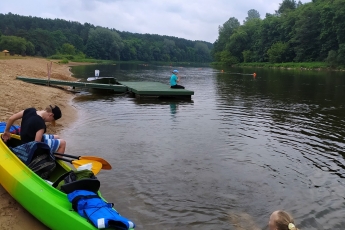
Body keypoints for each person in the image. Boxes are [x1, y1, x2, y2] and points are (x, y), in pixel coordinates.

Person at [2, 105, 66, 154]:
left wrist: (7, 131)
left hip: (25, 136)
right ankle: (53, 161)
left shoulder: (29, 110)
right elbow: (36, 144)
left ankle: (55, 148)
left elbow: (11, 118)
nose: (50, 121)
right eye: (52, 120)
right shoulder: (41, 124)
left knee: (57, 137)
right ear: (51, 115)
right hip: (29, 144)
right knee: (62, 143)